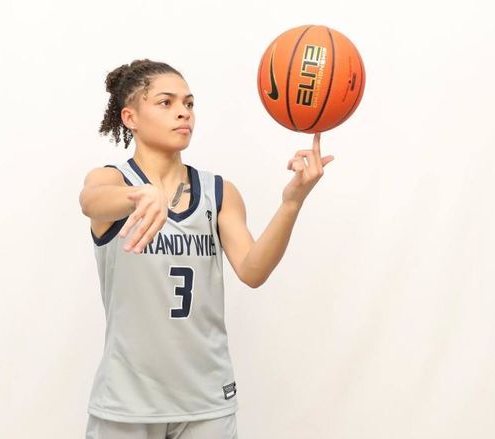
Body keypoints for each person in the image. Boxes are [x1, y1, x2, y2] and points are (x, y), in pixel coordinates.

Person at [79, 59, 334, 439]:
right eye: (166, 102)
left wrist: (292, 202)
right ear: (130, 117)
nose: (183, 111)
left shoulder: (218, 192)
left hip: (206, 400)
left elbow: (253, 270)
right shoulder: (112, 180)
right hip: (128, 400)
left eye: (189, 103)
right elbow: (91, 201)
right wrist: (138, 196)